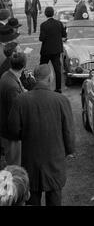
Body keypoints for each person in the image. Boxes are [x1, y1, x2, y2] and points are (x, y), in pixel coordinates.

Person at [7, 64, 75, 206]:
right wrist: (69, 150)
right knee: (55, 199)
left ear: (35, 78)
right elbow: (68, 130)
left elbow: (13, 130)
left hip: (31, 159)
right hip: (55, 160)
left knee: (32, 197)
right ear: (50, 78)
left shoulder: (21, 100)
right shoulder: (61, 100)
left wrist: (25, 135)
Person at [0, 52, 27, 166]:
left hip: (5, 128)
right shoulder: (12, 87)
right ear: (24, 66)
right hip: (11, 134)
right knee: (15, 164)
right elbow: (15, 114)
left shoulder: (7, 75)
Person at [39, 7, 67, 94]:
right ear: (53, 13)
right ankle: (58, 88)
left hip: (46, 50)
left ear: (45, 14)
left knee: (42, 69)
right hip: (56, 50)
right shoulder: (59, 23)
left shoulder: (43, 25)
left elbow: (41, 38)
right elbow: (64, 35)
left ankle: (41, 86)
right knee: (57, 70)